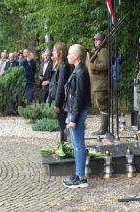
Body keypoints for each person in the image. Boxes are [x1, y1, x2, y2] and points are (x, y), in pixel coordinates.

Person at [62, 44, 91, 188]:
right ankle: (78, 173)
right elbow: (73, 97)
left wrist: (73, 118)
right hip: (73, 111)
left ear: (77, 56)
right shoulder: (77, 71)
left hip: (77, 111)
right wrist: (70, 114)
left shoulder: (81, 73)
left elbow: (79, 98)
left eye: (70, 53)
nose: (67, 56)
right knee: (75, 144)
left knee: (79, 145)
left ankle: (81, 177)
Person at [49, 42, 71, 143]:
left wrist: (57, 103)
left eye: (54, 50)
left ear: (60, 52)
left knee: (63, 126)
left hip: (62, 102)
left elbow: (61, 86)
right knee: (62, 125)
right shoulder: (60, 65)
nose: (52, 52)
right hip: (60, 100)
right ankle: (63, 145)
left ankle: (64, 146)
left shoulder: (64, 66)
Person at [89, 33, 109, 136]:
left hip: (102, 83)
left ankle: (104, 128)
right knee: (101, 107)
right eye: (95, 40)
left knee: (103, 107)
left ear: (102, 41)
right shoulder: (98, 51)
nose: (95, 41)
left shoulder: (103, 51)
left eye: (97, 40)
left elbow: (105, 66)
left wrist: (92, 65)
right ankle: (103, 127)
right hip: (97, 83)